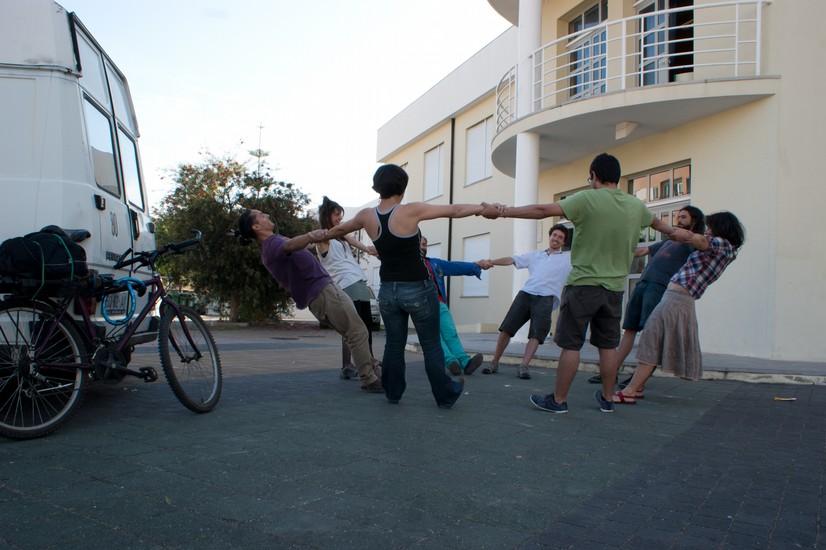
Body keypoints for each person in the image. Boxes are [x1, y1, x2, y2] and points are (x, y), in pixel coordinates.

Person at [481, 153, 676, 413]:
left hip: (584, 285)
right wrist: (696, 239)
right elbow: (669, 230)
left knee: (571, 344)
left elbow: (542, 211)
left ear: (594, 175)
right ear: (617, 178)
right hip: (615, 289)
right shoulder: (636, 206)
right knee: (608, 346)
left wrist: (503, 211)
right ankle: (608, 399)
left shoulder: (587, 199)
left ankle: (559, 400)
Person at [326, 164, 485, 408]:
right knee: (431, 344)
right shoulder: (410, 211)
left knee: (394, 344)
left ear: (377, 187)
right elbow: (455, 210)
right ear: (403, 187)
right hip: (418, 288)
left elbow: (337, 230)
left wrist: (308, 238)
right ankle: (444, 394)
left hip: (388, 291)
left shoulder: (366, 216)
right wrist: (484, 208)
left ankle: (393, 391)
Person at [237, 208, 383, 393]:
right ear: (256, 226)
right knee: (357, 331)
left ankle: (372, 370)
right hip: (322, 292)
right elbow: (290, 246)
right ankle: (369, 379)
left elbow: (293, 247)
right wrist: (310, 236)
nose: (267, 215)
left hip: (322, 292)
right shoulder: (272, 245)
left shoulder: (272, 243)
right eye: (261, 215)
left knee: (353, 333)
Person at [613, 211, 744, 404]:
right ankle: (637, 387)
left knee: (651, 338)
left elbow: (692, 237)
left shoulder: (721, 245)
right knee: (654, 339)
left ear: (721, 228)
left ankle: (631, 390)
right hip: (677, 297)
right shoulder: (722, 247)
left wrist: (657, 224)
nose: (707, 230)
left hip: (678, 297)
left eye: (711, 227)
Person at [587, 205, 705, 388]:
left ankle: (638, 381)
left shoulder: (693, 243)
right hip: (643, 284)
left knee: (651, 334)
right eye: (678, 216)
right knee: (629, 330)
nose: (678, 219)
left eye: (683, 217)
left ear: (694, 220)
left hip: (659, 288)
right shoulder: (667, 241)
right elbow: (642, 251)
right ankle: (610, 373)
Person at [479, 224, 572, 380]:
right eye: (554, 235)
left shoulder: (568, 259)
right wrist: (492, 261)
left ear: (564, 243)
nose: (556, 239)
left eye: (560, 237)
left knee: (536, 334)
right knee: (506, 329)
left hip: (546, 298)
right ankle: (494, 362)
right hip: (526, 294)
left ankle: (524, 366)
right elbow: (512, 259)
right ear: (550, 236)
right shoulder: (535, 255)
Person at [317, 196, 381, 380]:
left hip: (358, 282)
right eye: (337, 215)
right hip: (346, 283)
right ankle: (358, 365)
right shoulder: (323, 238)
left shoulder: (341, 238)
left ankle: (362, 362)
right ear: (327, 215)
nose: (340, 219)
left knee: (364, 326)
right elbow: (340, 234)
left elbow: (352, 239)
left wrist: (368, 249)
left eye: (340, 215)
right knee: (355, 327)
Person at [419, 235, 487, 376]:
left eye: (425, 244)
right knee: (435, 336)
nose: (423, 247)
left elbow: (455, 266)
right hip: (422, 306)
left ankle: (466, 363)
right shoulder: (406, 264)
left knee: (451, 334)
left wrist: (476, 265)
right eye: (421, 244)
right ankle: (451, 362)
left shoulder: (434, 263)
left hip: (439, 304)